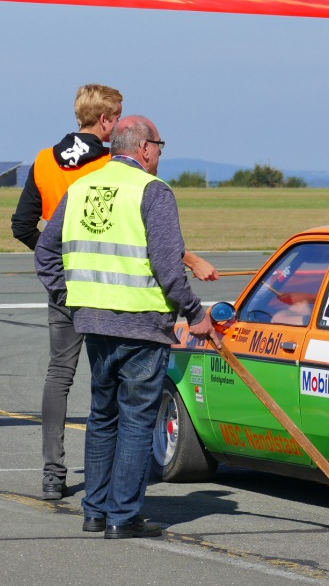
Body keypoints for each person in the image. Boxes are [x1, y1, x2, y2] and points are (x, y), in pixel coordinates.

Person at [12, 85, 218, 501]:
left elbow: (22, 226)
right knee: (113, 394)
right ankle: (121, 492)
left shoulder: (43, 161)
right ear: (107, 121)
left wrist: (63, 267)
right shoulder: (113, 164)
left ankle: (53, 474)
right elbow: (135, 230)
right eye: (117, 116)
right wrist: (190, 260)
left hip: (67, 285)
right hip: (113, 290)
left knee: (59, 376)